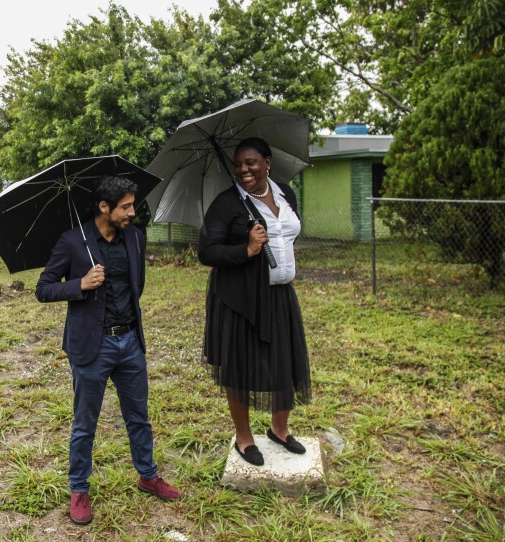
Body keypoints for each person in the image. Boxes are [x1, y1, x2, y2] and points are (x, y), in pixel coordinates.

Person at [36, 175, 181, 525]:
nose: (132, 212)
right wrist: (80, 285)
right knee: (85, 423)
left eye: (133, 205)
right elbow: (43, 289)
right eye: (126, 207)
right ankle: (79, 488)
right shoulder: (73, 242)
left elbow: (137, 285)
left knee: (139, 417)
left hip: (130, 341)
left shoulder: (135, 237)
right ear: (105, 207)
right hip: (91, 346)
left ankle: (148, 475)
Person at [198, 137, 312, 467]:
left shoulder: (285, 194)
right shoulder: (226, 203)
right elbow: (206, 252)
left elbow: (286, 233)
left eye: (251, 162)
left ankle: (279, 429)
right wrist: (245, 250)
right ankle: (244, 438)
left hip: (279, 293)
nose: (243, 169)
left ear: (267, 162)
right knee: (240, 365)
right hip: (239, 298)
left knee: (285, 359)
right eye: (238, 164)